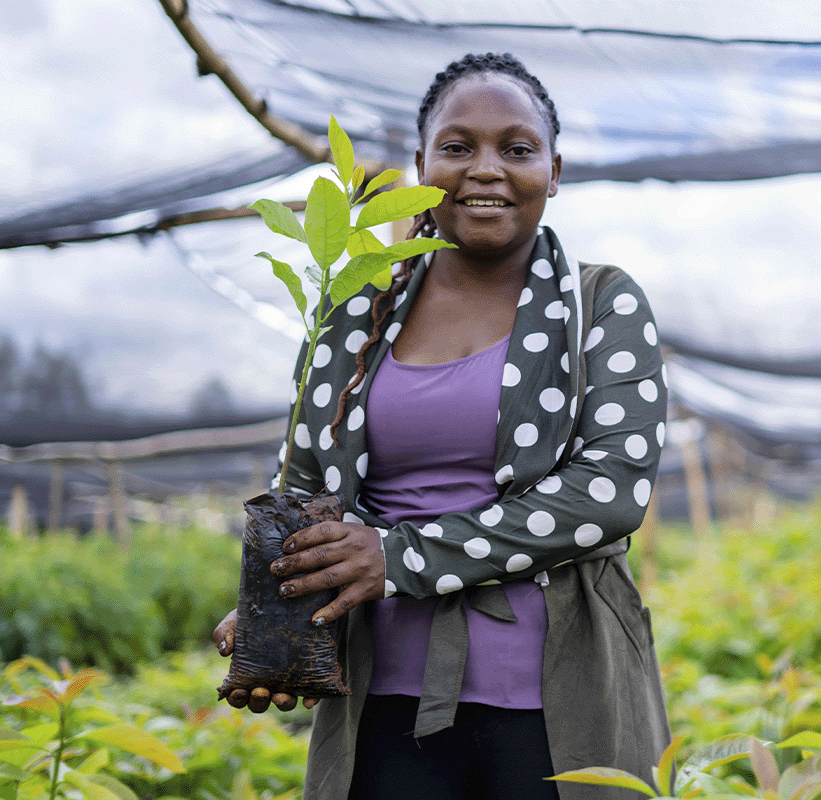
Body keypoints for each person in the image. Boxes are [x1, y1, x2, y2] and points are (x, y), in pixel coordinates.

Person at [213, 52, 671, 800]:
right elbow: (304, 484)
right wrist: (277, 604)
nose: (485, 168)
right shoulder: (353, 316)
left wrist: (397, 559)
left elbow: (610, 493)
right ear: (422, 166)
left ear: (554, 171)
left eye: (516, 149)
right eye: (457, 148)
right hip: (385, 700)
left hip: (557, 701)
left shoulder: (602, 303)